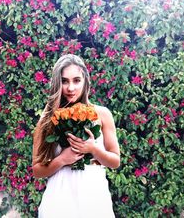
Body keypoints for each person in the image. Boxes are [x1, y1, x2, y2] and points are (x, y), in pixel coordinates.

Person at [32, 54, 120, 218]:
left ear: (85, 80)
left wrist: (94, 149)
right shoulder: (47, 119)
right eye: (64, 81)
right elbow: (37, 170)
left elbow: (115, 161)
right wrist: (62, 160)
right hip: (59, 198)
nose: (70, 88)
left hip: (94, 197)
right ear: (57, 83)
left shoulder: (102, 114)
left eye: (76, 80)